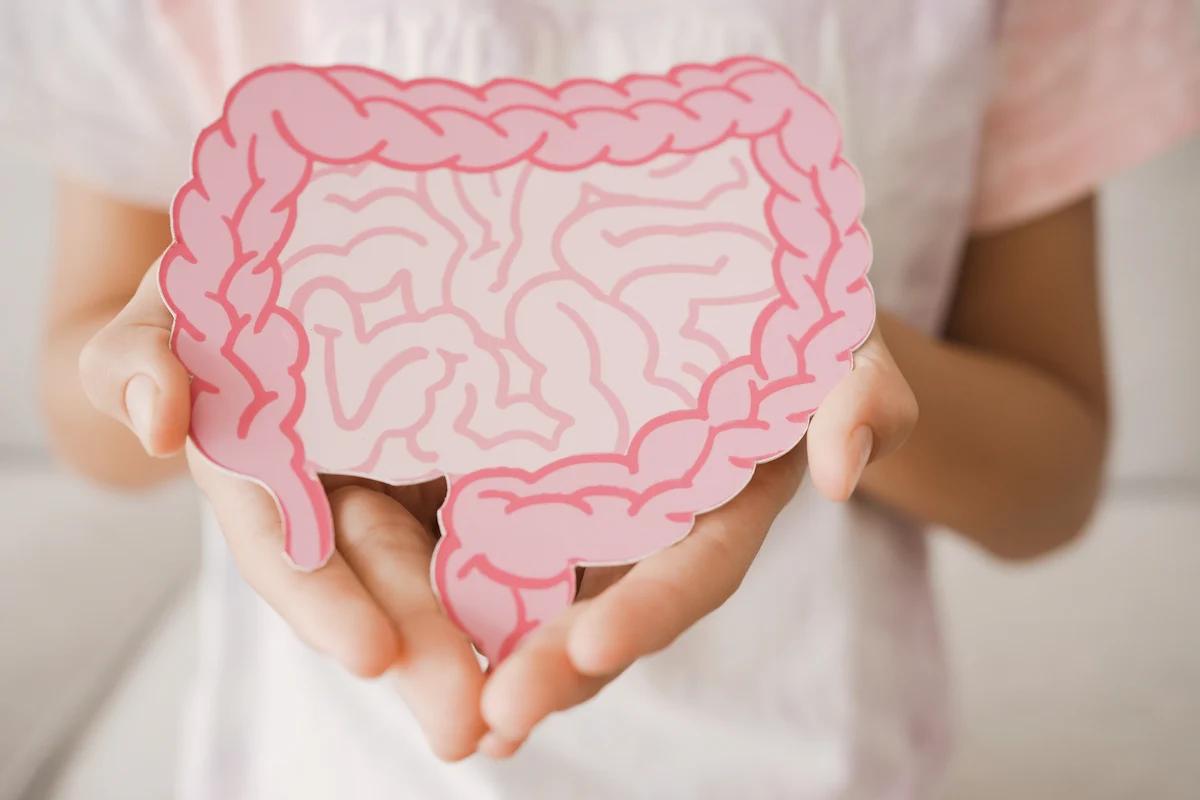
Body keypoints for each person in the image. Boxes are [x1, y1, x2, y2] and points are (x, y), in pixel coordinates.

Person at [5, 1, 1197, 797]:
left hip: (810, 751)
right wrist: (198, 363)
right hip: (338, 753)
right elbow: (87, 390)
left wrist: (790, 339)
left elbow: (1050, 477)